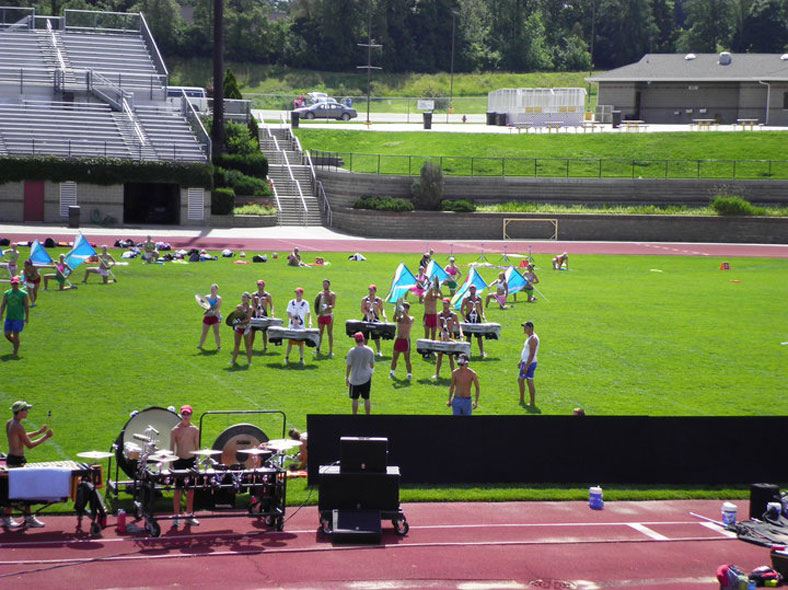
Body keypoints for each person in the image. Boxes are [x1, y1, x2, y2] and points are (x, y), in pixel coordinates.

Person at [2, 401, 53, 529]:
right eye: (26, 410)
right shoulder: (18, 426)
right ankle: (9, 518)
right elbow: (29, 445)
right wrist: (46, 437)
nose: (27, 412)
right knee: (16, 489)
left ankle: (27, 517)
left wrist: (39, 432)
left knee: (24, 489)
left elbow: (22, 437)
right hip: (17, 462)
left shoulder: (10, 423)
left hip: (13, 459)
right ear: (20, 412)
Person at [170, 405, 200, 527]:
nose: (186, 416)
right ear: (181, 415)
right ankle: (176, 516)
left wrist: (197, 462)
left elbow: (197, 447)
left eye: (188, 414)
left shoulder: (195, 430)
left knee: (191, 490)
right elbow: (171, 448)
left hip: (191, 461)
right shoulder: (175, 430)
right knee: (177, 490)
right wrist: (171, 463)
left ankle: (189, 515)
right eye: (184, 414)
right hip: (179, 461)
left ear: (191, 415)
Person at [433, 298, 463, 380]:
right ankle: (437, 373)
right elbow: (438, 325)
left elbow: (458, 325)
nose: (444, 305)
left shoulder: (453, 315)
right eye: (443, 303)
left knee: (451, 355)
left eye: (446, 304)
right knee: (440, 355)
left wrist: (461, 333)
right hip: (441, 336)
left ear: (449, 304)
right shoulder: (439, 314)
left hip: (450, 335)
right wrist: (444, 333)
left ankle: (453, 373)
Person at [346, 332, 375, 415]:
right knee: (366, 398)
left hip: (354, 379)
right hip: (366, 378)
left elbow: (349, 366)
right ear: (363, 339)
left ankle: (354, 416)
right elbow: (372, 365)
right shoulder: (370, 350)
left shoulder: (352, 351)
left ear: (355, 340)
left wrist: (347, 378)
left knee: (355, 399)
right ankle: (368, 416)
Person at [1, 276, 29, 358]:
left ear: (18, 284)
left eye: (16, 284)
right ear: (11, 284)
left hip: (18, 318)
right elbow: (3, 305)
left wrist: (27, 317)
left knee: (16, 334)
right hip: (9, 317)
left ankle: (15, 352)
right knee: (7, 334)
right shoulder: (7, 293)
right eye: (13, 284)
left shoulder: (23, 294)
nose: (15, 285)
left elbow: (26, 306)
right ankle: (16, 343)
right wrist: (1, 314)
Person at [285, 287, 311, 365]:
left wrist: (310, 322)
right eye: (296, 293)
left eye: (299, 293)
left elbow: (308, 314)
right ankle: (286, 357)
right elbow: (288, 313)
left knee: (301, 344)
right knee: (290, 342)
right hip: (292, 326)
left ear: (302, 294)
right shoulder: (291, 302)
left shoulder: (306, 303)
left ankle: (301, 358)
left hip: (301, 326)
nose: (297, 294)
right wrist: (293, 320)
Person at [360, 284, 386, 358]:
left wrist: (383, 315)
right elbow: (362, 309)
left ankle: (379, 351)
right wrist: (368, 314)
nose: (370, 291)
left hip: (375, 319)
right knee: (365, 336)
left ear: (375, 291)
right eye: (369, 290)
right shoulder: (365, 299)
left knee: (376, 336)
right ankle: (363, 351)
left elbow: (381, 309)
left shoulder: (379, 300)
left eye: (372, 290)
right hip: (366, 319)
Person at [389, 301, 413, 380]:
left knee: (407, 359)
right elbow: (394, 319)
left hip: (405, 340)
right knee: (395, 357)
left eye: (405, 309)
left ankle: (409, 374)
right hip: (398, 339)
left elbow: (408, 320)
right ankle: (392, 372)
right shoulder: (400, 318)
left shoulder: (411, 318)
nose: (404, 310)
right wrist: (396, 312)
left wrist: (402, 311)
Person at [461, 285, 486, 358]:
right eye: (471, 289)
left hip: (477, 318)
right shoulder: (466, 299)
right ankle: (467, 351)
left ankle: (482, 352)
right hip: (469, 317)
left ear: (475, 290)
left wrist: (483, 315)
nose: (472, 291)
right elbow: (461, 309)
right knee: (468, 336)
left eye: (474, 289)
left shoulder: (479, 298)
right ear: (469, 290)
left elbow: (482, 309)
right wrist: (464, 318)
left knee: (479, 336)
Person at [519, 321, 540, 406]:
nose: (524, 329)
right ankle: (522, 400)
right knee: (521, 380)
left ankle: (531, 402)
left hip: (529, 363)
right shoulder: (529, 337)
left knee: (528, 381)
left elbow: (531, 354)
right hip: (525, 362)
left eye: (526, 327)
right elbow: (526, 351)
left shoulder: (533, 339)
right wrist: (521, 361)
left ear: (531, 328)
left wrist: (526, 366)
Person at [251, 280, 274, 352]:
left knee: (264, 331)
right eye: (258, 285)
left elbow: (271, 305)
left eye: (260, 285)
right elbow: (253, 304)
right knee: (253, 331)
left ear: (263, 286)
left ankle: (265, 346)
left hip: (264, 314)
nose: (259, 286)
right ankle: (251, 346)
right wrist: (256, 311)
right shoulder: (254, 295)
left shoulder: (267, 295)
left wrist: (272, 313)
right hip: (255, 314)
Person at [230, 292, 253, 367]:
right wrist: (235, 322)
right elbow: (235, 316)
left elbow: (248, 319)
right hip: (239, 328)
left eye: (244, 297)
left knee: (248, 345)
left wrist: (239, 322)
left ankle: (249, 362)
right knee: (236, 344)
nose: (243, 299)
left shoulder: (250, 308)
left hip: (246, 328)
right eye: (242, 297)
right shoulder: (238, 307)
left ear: (248, 299)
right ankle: (233, 361)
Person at [315, 279, 336, 357]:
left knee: (329, 333)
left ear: (329, 285)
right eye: (324, 284)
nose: (325, 286)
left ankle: (331, 351)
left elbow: (333, 305)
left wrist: (327, 306)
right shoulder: (320, 294)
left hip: (328, 315)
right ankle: (317, 349)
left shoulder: (332, 294)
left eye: (326, 284)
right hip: (321, 316)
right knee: (320, 333)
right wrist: (318, 311)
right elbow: (316, 304)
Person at [197, 283, 222, 351]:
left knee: (216, 332)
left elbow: (218, 309)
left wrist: (213, 313)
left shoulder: (219, 298)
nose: (212, 290)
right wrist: (207, 311)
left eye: (213, 289)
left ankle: (219, 346)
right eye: (211, 289)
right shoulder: (206, 297)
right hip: (207, 317)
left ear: (217, 290)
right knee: (204, 332)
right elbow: (203, 306)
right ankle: (200, 346)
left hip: (215, 317)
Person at [422, 276, 442, 340]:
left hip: (434, 316)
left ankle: (432, 348)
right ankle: (426, 348)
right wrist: (432, 287)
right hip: (427, 316)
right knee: (426, 334)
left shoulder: (435, 296)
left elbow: (442, 297)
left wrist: (439, 290)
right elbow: (427, 296)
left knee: (433, 334)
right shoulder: (425, 295)